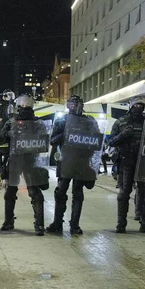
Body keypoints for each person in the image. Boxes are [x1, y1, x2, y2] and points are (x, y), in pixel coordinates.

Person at [46, 95, 99, 235]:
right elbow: (53, 141)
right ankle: (57, 223)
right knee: (60, 192)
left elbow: (97, 141)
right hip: (66, 161)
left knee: (78, 193)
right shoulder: (62, 120)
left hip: (82, 162)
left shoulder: (89, 121)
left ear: (82, 106)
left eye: (77, 104)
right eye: (72, 104)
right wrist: (63, 134)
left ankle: (75, 225)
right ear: (68, 106)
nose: (75, 107)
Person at [0, 93, 49, 236]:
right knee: (10, 192)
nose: (25, 107)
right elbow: (0, 138)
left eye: (28, 104)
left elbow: (44, 142)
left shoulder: (37, 123)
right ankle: (8, 221)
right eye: (23, 104)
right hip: (14, 160)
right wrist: (9, 133)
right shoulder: (12, 122)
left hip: (31, 161)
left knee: (35, 193)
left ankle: (39, 224)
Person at [108, 97, 145, 233]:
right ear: (131, 106)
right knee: (124, 193)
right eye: (136, 105)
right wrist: (123, 135)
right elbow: (111, 142)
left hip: (143, 162)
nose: (139, 108)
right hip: (126, 161)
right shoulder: (121, 122)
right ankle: (121, 224)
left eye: (141, 106)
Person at [0, 90, 14, 190]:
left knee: (5, 161)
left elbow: (13, 115)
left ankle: (4, 178)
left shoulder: (10, 105)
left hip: (7, 132)